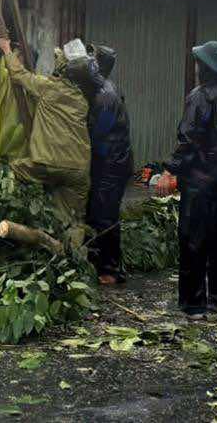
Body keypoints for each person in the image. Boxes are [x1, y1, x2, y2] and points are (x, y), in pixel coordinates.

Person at [156, 40, 217, 320]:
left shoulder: (200, 97)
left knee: (194, 241)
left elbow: (189, 138)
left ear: (205, 68)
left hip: (200, 183)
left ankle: (193, 305)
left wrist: (170, 171)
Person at [0, 35, 92, 228]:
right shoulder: (83, 99)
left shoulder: (48, 88)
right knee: (73, 220)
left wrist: (6, 50)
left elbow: (18, 74)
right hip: (79, 170)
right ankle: (72, 254)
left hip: (48, 164)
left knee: (7, 169)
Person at [86, 46, 133, 285]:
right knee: (99, 212)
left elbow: (98, 133)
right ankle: (100, 262)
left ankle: (110, 270)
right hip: (111, 160)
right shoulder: (105, 88)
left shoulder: (105, 95)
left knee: (105, 215)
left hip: (112, 163)